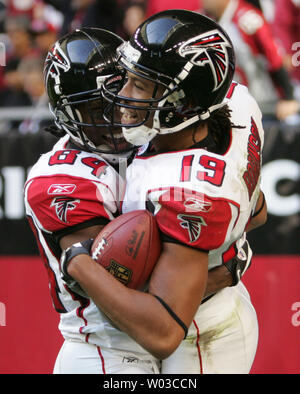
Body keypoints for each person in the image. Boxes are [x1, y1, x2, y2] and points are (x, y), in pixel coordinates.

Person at [24, 26, 251, 374]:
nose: (118, 113)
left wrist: (226, 219)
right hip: (106, 346)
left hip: (177, 330)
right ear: (69, 115)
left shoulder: (155, 135)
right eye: (98, 108)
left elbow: (253, 206)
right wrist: (221, 272)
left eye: (123, 94)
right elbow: (130, 282)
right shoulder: (63, 181)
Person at [200, 0, 300, 121]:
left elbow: (274, 58)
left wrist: (288, 97)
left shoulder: (248, 19)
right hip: (229, 105)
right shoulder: (206, 20)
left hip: (262, 104)